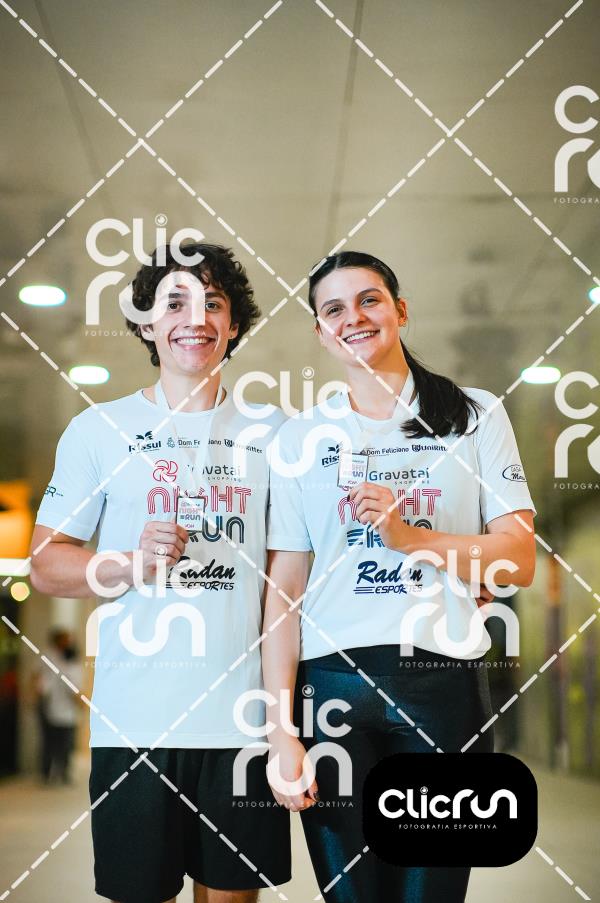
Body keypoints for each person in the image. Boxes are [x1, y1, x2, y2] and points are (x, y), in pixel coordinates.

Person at [262, 251, 536, 902]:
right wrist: (279, 732)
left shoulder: (473, 414)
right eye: (334, 309)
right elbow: (284, 593)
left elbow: (518, 559)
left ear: (400, 310)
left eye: (369, 300)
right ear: (321, 332)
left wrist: (412, 538)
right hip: (331, 690)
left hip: (443, 686)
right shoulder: (301, 439)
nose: (353, 318)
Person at [30, 242, 290, 903]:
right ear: (147, 322)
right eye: (174, 303)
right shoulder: (99, 430)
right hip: (134, 725)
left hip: (243, 724)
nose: (194, 318)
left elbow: (299, 570)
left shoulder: (275, 432)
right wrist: (130, 564)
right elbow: (46, 566)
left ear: (234, 323)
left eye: (213, 303)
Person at [36, 628, 83, 784]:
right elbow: (39, 681)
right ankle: (49, 773)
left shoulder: (69, 662)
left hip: (64, 710)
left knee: (63, 744)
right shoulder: (50, 658)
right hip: (52, 708)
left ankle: (61, 774)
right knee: (52, 743)